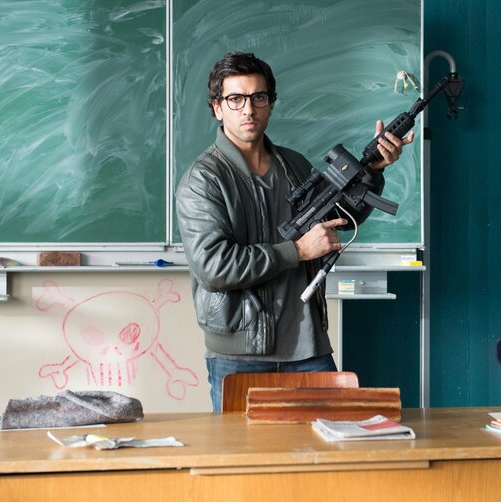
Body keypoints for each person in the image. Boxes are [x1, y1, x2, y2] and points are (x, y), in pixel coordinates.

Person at [176, 52, 413, 412]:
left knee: (327, 444)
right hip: (241, 355)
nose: (248, 109)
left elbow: (336, 219)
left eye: (258, 97)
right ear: (217, 108)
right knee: (240, 450)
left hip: (309, 349)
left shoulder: (294, 165)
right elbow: (215, 267)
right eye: (235, 99)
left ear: (270, 104)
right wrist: (297, 251)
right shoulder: (203, 180)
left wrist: (373, 171)